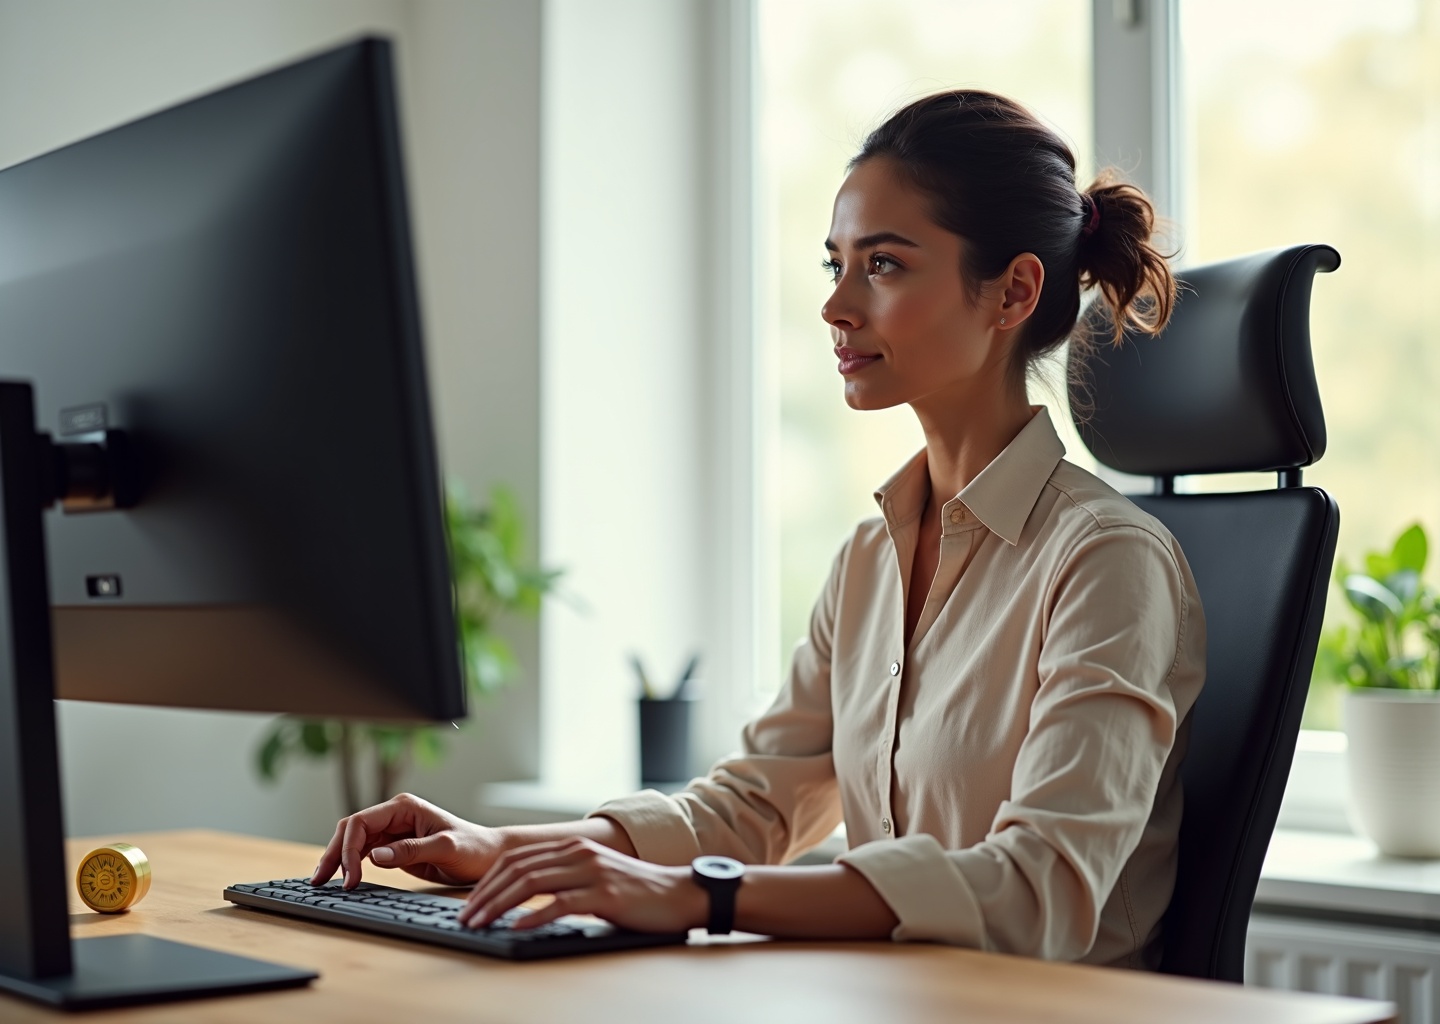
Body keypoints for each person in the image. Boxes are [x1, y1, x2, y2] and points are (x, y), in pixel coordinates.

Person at [311, 90, 1205, 969]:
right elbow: (755, 807)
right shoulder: (870, 557)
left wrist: (708, 897)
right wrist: (505, 847)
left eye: (884, 265)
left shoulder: (1106, 562)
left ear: (1012, 292)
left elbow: (1035, 888)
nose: (836, 306)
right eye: (835, 264)